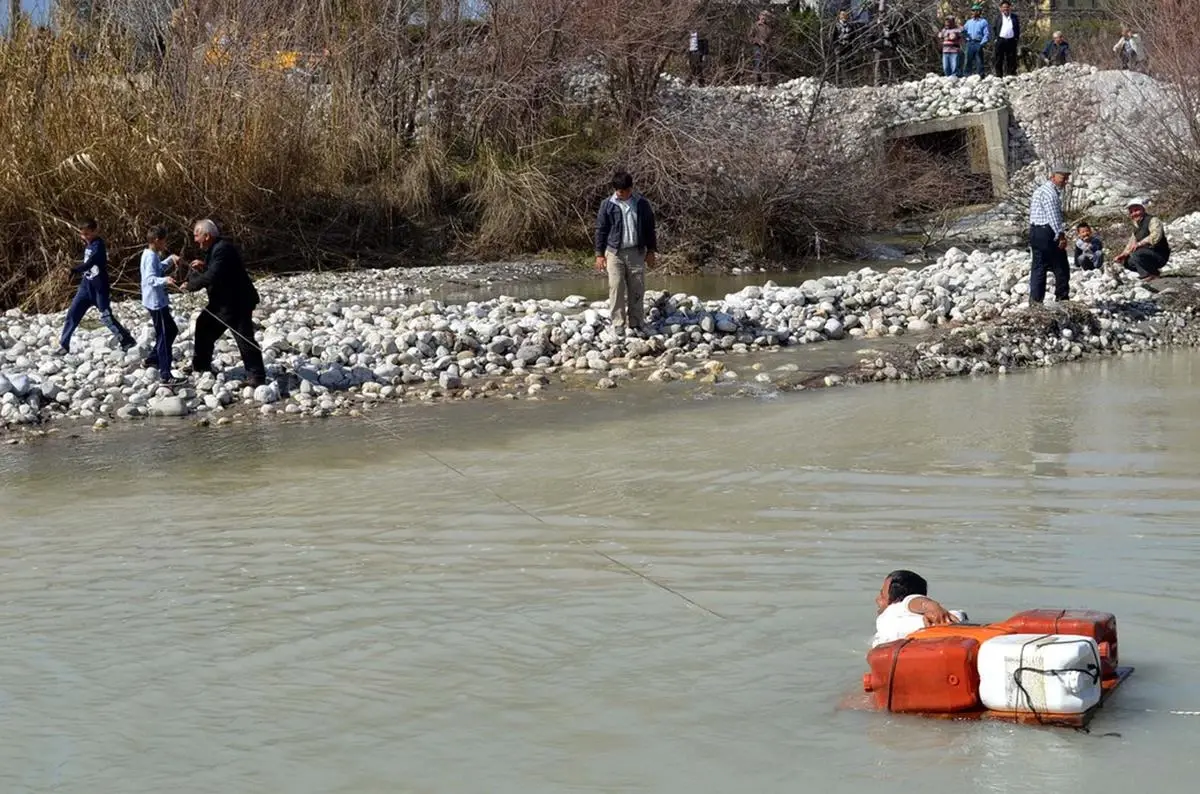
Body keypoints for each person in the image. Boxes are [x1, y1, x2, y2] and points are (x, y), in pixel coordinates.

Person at [183, 219, 266, 386]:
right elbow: (215, 269)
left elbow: (213, 275)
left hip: (237, 303)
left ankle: (256, 376)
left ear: (206, 236)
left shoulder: (223, 249)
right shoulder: (215, 249)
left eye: (196, 235)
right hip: (221, 304)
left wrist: (190, 285)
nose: (195, 239)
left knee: (244, 338)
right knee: (203, 325)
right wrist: (204, 265)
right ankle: (201, 366)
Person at [59, 218, 137, 354]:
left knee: (106, 317)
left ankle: (126, 340)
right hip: (85, 287)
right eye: (82, 234)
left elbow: (90, 263)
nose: (85, 237)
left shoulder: (99, 246)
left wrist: (74, 270)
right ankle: (64, 345)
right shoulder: (88, 245)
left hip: (100, 289)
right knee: (72, 314)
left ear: (95, 231)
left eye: (87, 234)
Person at [594, 172, 657, 337]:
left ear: (631, 188)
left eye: (625, 190)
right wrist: (599, 254)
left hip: (636, 251)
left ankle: (636, 322)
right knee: (616, 287)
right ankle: (618, 323)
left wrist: (651, 250)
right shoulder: (607, 205)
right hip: (614, 252)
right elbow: (601, 230)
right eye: (619, 191)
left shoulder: (642, 204)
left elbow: (650, 228)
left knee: (637, 288)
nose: (622, 194)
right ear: (615, 190)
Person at [872, 570, 966, 648]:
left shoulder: (895, 609)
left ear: (896, 600)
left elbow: (912, 600)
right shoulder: (904, 616)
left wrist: (931, 606)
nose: (877, 599)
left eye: (882, 595)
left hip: (934, 635)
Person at [140, 225, 185, 385]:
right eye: (164, 241)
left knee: (170, 330)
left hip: (157, 301)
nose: (166, 244)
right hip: (156, 302)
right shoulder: (151, 256)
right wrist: (165, 280)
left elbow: (158, 269)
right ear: (157, 241)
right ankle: (166, 375)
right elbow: (150, 279)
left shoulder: (150, 254)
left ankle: (152, 358)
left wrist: (170, 259)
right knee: (164, 335)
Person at [1027, 165, 1072, 305]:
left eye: (1066, 179)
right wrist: (1061, 235)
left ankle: (1035, 301)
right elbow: (1054, 217)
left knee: (1038, 267)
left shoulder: (1040, 191)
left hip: (1035, 231)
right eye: (1062, 178)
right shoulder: (1050, 194)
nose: (1065, 182)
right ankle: (1062, 298)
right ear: (1052, 177)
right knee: (1061, 266)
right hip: (1047, 232)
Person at [1114, 199, 1170, 281]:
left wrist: (1140, 244)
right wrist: (1123, 255)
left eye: (1136, 210)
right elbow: (1131, 244)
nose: (1134, 214)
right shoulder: (1136, 227)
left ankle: (1146, 275)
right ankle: (1153, 272)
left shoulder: (1153, 220)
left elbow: (1156, 236)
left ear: (1143, 209)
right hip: (1146, 254)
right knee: (1127, 262)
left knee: (1137, 253)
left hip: (1159, 254)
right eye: (1131, 212)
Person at [962, 4, 991, 78]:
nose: (973, 12)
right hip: (970, 43)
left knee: (979, 60)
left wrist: (982, 43)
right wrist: (965, 36)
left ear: (979, 12)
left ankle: (980, 76)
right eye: (972, 10)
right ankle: (966, 75)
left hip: (978, 42)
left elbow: (986, 33)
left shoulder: (983, 21)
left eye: (975, 10)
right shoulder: (969, 22)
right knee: (968, 60)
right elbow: (963, 31)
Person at [993, 1, 1020, 77]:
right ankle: (999, 75)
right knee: (999, 59)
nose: (1005, 9)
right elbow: (994, 28)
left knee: (1011, 59)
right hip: (1000, 40)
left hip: (1011, 40)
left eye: (1007, 7)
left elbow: (1017, 28)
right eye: (1004, 7)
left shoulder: (1014, 17)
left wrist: (1016, 38)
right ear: (1001, 8)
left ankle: (1011, 75)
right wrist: (995, 39)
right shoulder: (998, 17)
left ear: (1010, 8)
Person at [748, 10, 773, 86]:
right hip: (757, 47)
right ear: (759, 16)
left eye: (766, 16)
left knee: (767, 65)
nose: (764, 17)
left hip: (766, 47)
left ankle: (767, 83)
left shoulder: (769, 27)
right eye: (763, 15)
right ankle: (757, 83)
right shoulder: (755, 25)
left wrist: (769, 46)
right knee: (758, 63)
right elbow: (750, 37)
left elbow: (770, 39)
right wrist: (758, 41)